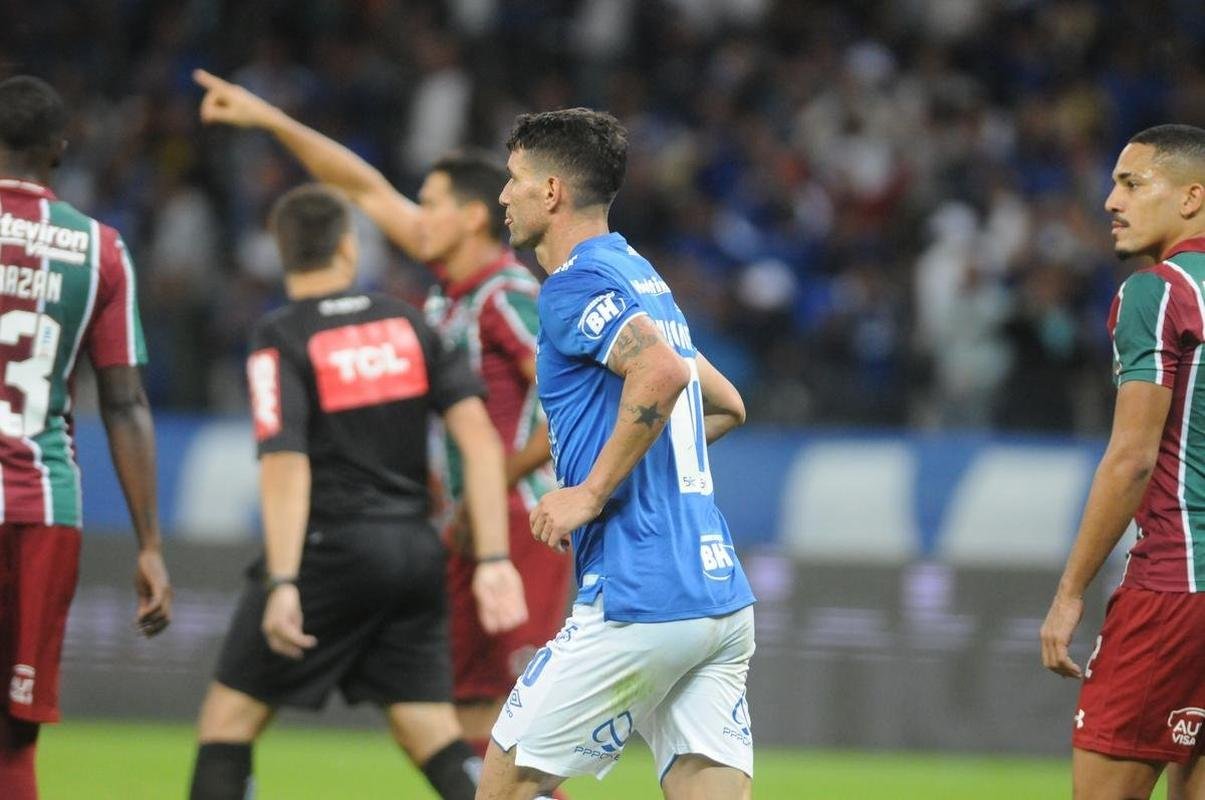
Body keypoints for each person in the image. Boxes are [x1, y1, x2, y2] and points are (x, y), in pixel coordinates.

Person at [192, 67, 572, 764]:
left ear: (469, 217)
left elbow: (562, 413)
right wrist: (270, 120)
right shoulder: (452, 293)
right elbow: (359, 186)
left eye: (427, 204)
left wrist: (478, 497)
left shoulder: (505, 294)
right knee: (462, 718)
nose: (410, 216)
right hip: (465, 525)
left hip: (513, 521)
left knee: (495, 720)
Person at [187, 184, 528, 800]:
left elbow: (285, 462)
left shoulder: (281, 336)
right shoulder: (407, 323)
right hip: (413, 553)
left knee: (226, 725)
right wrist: (496, 560)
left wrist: (285, 580)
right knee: (430, 730)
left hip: (329, 551)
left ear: (282, 253)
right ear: (348, 248)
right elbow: (479, 441)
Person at [477, 108, 755, 800]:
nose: (501, 196)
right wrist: (643, 463)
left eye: (512, 180)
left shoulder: (574, 285)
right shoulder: (642, 279)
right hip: (717, 596)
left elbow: (659, 374)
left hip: (641, 593)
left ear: (550, 191)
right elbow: (722, 404)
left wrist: (592, 490)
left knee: (506, 781)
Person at [0, 75, 173, 799]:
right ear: (61, 150)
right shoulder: (98, 248)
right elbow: (125, 403)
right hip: (43, 510)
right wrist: (149, 547)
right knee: (15, 740)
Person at [1040, 124, 1205, 800]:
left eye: (1132, 183)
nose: (1110, 200)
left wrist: (1069, 591)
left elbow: (1131, 459)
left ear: (1192, 197)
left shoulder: (1157, 292)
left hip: (1174, 581)